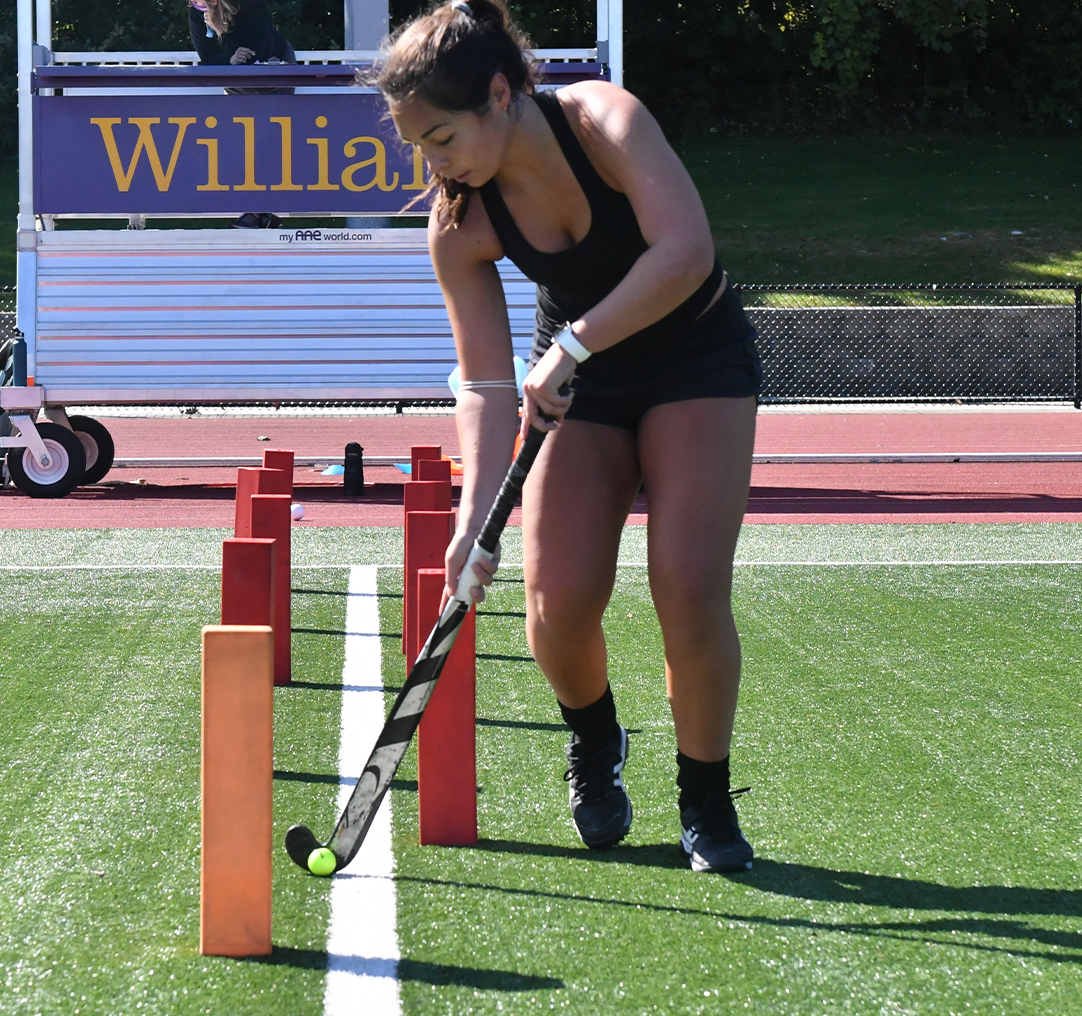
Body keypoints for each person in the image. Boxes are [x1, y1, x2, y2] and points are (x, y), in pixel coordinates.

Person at [370, 0, 761, 871]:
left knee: (688, 587)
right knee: (555, 605)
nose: (433, 163)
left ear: (500, 95)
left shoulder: (604, 119)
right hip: (581, 384)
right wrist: (472, 524)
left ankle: (704, 796)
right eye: (417, 146)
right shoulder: (460, 223)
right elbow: (482, 381)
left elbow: (687, 252)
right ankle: (595, 738)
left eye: (440, 138)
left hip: (695, 358)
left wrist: (575, 342)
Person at [189, 0, 297, 228]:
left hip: (274, 68)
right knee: (245, 141)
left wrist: (234, 51)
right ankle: (259, 212)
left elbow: (262, 41)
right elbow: (208, 59)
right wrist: (230, 58)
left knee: (267, 138)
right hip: (240, 78)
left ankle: (260, 211)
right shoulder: (196, 12)